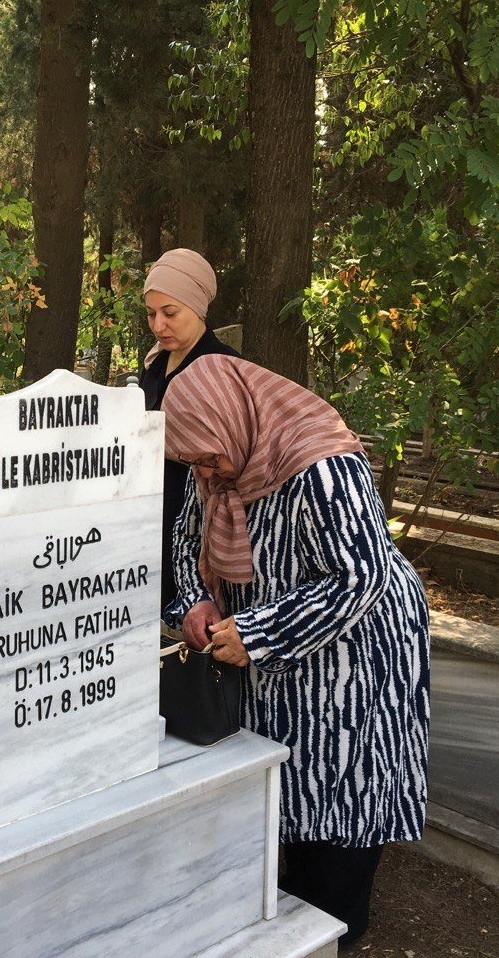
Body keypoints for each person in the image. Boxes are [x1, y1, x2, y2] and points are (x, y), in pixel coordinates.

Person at [161, 354, 430, 946]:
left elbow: (358, 576)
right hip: (272, 654)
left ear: (236, 418)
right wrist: (196, 602)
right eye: (194, 461)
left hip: (357, 654)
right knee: (285, 780)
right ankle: (292, 919)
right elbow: (185, 542)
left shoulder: (322, 465)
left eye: (210, 456)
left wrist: (257, 633)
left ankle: (336, 930)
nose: (205, 471)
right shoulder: (217, 470)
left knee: (345, 786)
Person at [138, 248, 240, 612]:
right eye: (151, 314)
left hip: (192, 518)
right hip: (148, 509)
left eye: (170, 313)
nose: (158, 326)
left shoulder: (225, 367)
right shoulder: (155, 363)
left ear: (197, 307)